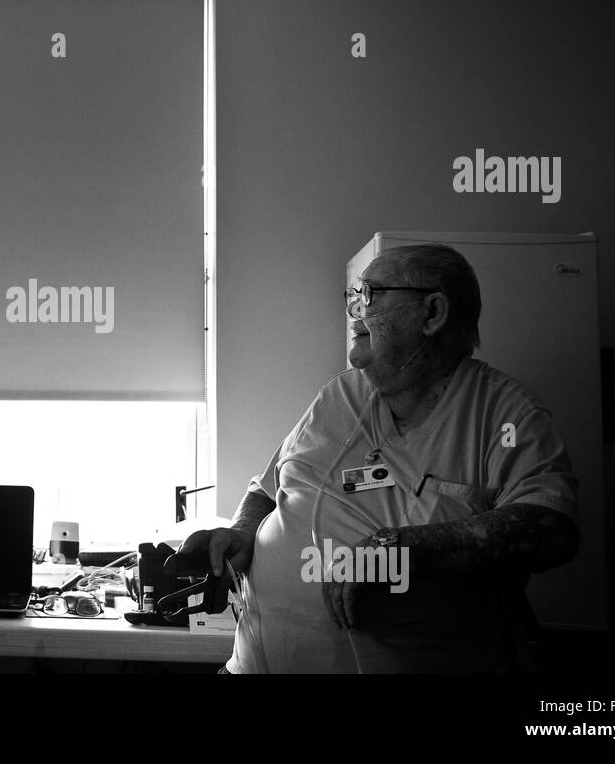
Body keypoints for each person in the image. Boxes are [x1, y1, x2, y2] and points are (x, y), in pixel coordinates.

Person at [173, 244, 579, 673]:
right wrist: (241, 533)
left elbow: (551, 528)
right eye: (353, 297)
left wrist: (405, 548)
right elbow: (267, 489)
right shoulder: (339, 395)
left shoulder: (508, 415)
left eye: (369, 296)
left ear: (433, 313)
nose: (354, 313)